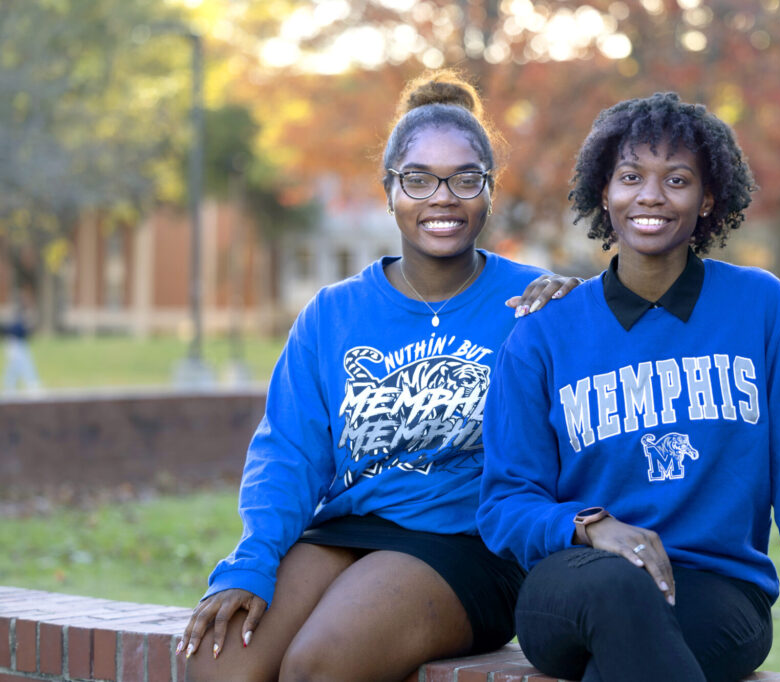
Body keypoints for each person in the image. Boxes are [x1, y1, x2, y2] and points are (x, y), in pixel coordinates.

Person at [477, 93, 780, 682]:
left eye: (676, 179)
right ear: (605, 192)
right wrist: (592, 526)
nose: (651, 196)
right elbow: (505, 505)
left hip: (716, 595)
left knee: (637, 653)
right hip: (574, 586)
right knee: (617, 586)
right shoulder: (544, 333)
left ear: (708, 198)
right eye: (631, 177)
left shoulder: (761, 309)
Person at [179, 70, 580, 682]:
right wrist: (250, 564)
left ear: (489, 191)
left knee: (320, 665)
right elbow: (288, 452)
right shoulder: (332, 313)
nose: (441, 198)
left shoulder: (533, 302)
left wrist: (582, 314)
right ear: (388, 189)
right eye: (417, 180)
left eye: (465, 179)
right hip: (348, 526)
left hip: (470, 544)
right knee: (216, 664)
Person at [2, 291, 41, 394]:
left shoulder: (22, 315)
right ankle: (31, 384)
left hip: (19, 343)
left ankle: (10, 386)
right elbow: (16, 330)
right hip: (15, 344)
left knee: (15, 367)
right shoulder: (17, 316)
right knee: (23, 365)